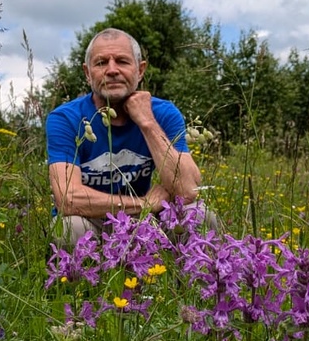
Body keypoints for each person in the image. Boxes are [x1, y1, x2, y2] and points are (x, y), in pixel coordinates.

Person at [46, 28, 204, 243]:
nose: (112, 70)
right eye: (101, 63)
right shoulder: (66, 118)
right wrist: (143, 204)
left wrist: (147, 122)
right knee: (69, 228)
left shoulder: (163, 113)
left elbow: (188, 191)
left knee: (199, 215)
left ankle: (182, 268)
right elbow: (67, 199)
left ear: (140, 70)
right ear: (87, 73)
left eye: (122, 61)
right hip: (92, 219)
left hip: (145, 222)